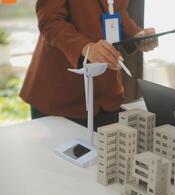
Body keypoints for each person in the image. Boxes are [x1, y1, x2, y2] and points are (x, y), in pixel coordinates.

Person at [20, 0, 157, 128]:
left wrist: (137, 35)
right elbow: (50, 21)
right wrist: (85, 47)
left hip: (106, 95)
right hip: (60, 94)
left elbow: (115, 11)